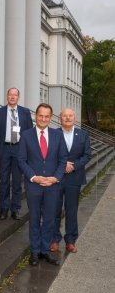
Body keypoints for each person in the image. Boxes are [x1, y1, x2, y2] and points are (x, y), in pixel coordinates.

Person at [18, 103, 67, 266]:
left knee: (49, 219)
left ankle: (45, 250)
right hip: (34, 185)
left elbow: (62, 160)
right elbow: (22, 160)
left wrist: (56, 178)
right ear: (35, 116)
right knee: (33, 218)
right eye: (40, 115)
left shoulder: (58, 135)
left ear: (51, 118)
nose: (43, 118)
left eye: (47, 116)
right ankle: (35, 250)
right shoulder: (26, 135)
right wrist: (33, 177)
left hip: (53, 185)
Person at [52, 108, 91, 253]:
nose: (67, 118)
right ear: (60, 118)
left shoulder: (83, 134)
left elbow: (87, 155)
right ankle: (54, 239)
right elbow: (49, 154)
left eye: (70, 116)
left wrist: (73, 166)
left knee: (71, 210)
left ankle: (70, 240)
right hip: (57, 177)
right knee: (55, 209)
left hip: (74, 177)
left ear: (75, 118)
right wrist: (63, 165)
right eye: (64, 116)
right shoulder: (54, 134)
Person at [0, 88, 33, 220]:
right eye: (10, 95)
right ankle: (3, 209)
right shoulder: (0, 112)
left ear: (18, 97)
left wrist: (29, 153)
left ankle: (15, 209)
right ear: (7, 97)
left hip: (19, 150)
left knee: (17, 182)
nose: (12, 97)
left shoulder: (25, 112)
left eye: (15, 95)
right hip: (4, 149)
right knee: (4, 181)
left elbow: (30, 134)